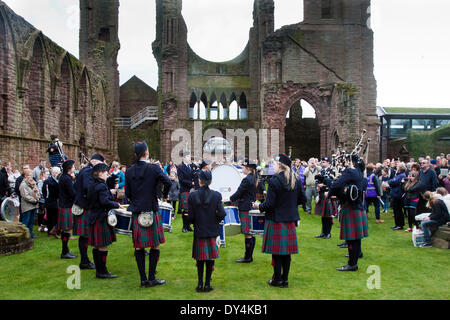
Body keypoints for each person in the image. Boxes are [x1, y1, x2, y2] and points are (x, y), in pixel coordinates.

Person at [253, 154, 306, 287]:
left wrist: (258, 206)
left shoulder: (274, 180)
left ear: (280, 165)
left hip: (276, 219)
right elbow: (303, 199)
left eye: (276, 164)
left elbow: (269, 204)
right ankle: (285, 280)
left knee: (277, 253)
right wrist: (291, 205)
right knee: (286, 252)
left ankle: (277, 280)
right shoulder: (296, 180)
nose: (274, 166)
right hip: (289, 220)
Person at [125, 141, 172, 288]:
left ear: (135, 155)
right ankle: (151, 278)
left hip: (137, 210)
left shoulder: (129, 170)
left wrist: (136, 201)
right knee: (155, 245)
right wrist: (163, 196)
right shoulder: (154, 168)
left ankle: (143, 279)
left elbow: (127, 194)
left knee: (139, 247)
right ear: (146, 153)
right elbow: (168, 182)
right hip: (151, 209)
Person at [187, 170, 226, 292]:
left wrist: (196, 222)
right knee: (209, 259)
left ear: (200, 180)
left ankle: (199, 285)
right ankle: (207, 285)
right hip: (212, 230)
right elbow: (222, 213)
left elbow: (190, 217)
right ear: (211, 181)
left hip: (199, 230)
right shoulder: (216, 195)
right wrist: (215, 220)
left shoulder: (192, 195)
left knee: (200, 259)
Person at [329, 154, 368, 272]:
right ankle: (355, 258)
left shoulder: (350, 172)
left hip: (350, 207)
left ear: (348, 161)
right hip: (358, 207)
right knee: (356, 238)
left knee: (351, 239)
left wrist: (330, 194)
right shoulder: (360, 172)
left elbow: (336, 184)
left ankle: (352, 264)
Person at [87, 163, 121, 278]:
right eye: (106, 173)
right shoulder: (101, 186)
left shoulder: (93, 184)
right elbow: (104, 202)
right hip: (101, 218)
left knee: (97, 246)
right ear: (100, 173)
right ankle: (103, 271)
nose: (108, 174)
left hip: (94, 217)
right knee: (102, 245)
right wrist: (116, 204)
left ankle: (99, 270)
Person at [73, 154, 106, 269]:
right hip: (85, 206)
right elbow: (88, 188)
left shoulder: (85, 170)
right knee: (85, 235)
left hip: (83, 205)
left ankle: (85, 260)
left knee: (85, 236)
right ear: (94, 162)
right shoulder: (88, 171)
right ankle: (84, 261)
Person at [230, 159, 258, 263]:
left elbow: (239, 192)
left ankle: (248, 257)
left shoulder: (247, 179)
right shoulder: (254, 178)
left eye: (243, 167)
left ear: (248, 169)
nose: (242, 169)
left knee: (247, 232)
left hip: (245, 207)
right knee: (251, 232)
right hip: (250, 205)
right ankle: (249, 256)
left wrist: (229, 198)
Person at [58, 160, 77, 259]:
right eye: (73, 167)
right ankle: (64, 252)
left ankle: (65, 251)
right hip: (66, 206)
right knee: (66, 230)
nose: (74, 168)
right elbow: (72, 193)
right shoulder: (67, 179)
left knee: (66, 230)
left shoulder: (64, 177)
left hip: (64, 205)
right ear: (69, 169)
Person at [314, 157, 338, 239]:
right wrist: (317, 186)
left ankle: (328, 233)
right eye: (322, 162)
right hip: (321, 194)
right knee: (323, 215)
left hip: (328, 194)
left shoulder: (332, 170)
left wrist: (324, 185)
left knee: (328, 215)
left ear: (328, 162)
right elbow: (317, 180)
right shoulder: (321, 171)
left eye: (324, 162)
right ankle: (323, 232)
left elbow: (333, 182)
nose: (322, 163)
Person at [19, 169, 41, 238]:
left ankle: (30, 233)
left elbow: (37, 191)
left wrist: (37, 197)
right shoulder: (23, 185)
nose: (31, 177)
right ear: (25, 176)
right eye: (29, 175)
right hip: (27, 206)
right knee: (26, 220)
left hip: (33, 205)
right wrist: (34, 200)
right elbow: (25, 196)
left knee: (31, 221)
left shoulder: (33, 183)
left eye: (32, 175)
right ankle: (24, 235)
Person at [178, 152, 195, 232]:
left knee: (191, 209)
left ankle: (188, 226)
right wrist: (191, 183)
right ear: (184, 158)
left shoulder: (192, 166)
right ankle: (184, 227)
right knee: (185, 209)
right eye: (188, 156)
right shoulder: (180, 168)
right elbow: (181, 180)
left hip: (192, 190)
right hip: (185, 190)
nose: (189, 158)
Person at [387, 164, 407, 230]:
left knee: (398, 210)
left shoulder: (401, 175)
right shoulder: (399, 175)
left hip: (398, 195)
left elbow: (393, 181)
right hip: (396, 194)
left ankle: (399, 225)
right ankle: (397, 224)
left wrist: (390, 182)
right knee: (396, 210)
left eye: (397, 167)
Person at [43, 167, 60, 238]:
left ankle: (56, 231)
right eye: (59, 172)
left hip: (57, 201)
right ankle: (50, 232)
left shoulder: (59, 180)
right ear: (55, 173)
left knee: (56, 217)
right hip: (50, 201)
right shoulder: (48, 181)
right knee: (50, 217)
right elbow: (45, 192)